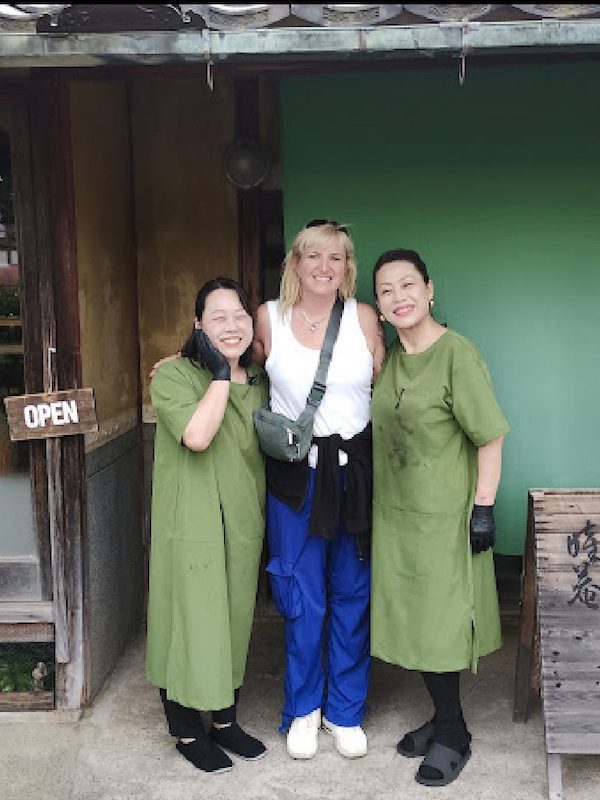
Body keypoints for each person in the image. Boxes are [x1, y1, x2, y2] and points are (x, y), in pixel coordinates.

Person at [370, 249, 509, 787]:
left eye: (408, 285)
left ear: (430, 290)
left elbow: (490, 436)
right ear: (378, 306)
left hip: (446, 516)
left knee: (442, 624)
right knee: (415, 622)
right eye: (386, 290)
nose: (399, 296)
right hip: (398, 517)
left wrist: (483, 508)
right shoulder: (390, 359)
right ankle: (442, 716)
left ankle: (454, 732)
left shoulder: (457, 355)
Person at [252, 219, 385, 760]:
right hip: (295, 478)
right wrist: (185, 357)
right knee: (300, 595)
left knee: (352, 591)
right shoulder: (269, 318)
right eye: (314, 256)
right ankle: (304, 709)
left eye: (336, 258)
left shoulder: (365, 319)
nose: (324, 267)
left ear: (346, 267)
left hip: (354, 472)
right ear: (295, 262)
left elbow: (393, 380)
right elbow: (231, 360)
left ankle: (345, 710)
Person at [146, 276, 268, 774]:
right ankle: (183, 727)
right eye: (218, 317)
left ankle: (224, 720)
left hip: (241, 518)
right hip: (190, 520)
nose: (232, 325)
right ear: (198, 325)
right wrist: (218, 373)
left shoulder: (261, 380)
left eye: (240, 314)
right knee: (187, 618)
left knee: (234, 618)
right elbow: (197, 436)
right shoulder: (174, 377)